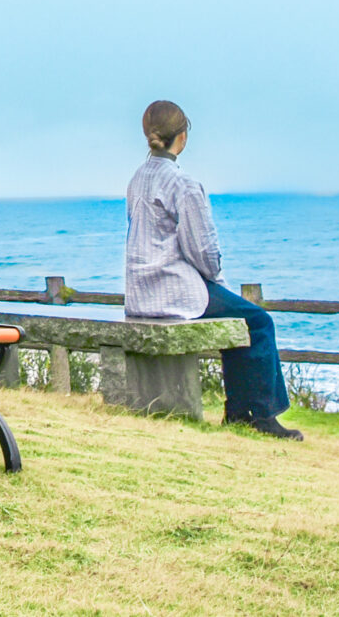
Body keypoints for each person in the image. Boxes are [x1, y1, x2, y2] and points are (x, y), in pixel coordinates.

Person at [124, 99, 302, 440]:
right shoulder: (183, 184)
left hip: (141, 293)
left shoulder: (136, 179)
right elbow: (202, 250)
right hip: (176, 292)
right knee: (259, 322)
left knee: (238, 319)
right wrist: (216, 278)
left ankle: (240, 413)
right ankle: (260, 415)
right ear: (183, 137)